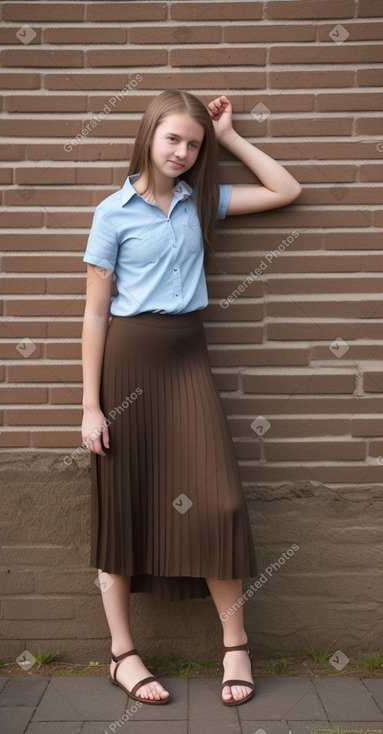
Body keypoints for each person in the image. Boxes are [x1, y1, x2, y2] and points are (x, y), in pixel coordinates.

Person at [81, 90, 301, 707]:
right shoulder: (113, 212)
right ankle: (123, 655)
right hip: (127, 361)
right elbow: (95, 314)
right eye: (173, 138)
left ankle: (235, 645)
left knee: (220, 502)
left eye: (193, 143)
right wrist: (90, 405)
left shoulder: (202, 201)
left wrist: (229, 138)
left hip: (187, 358)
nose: (182, 152)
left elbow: (287, 190)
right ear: (149, 135)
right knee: (123, 505)